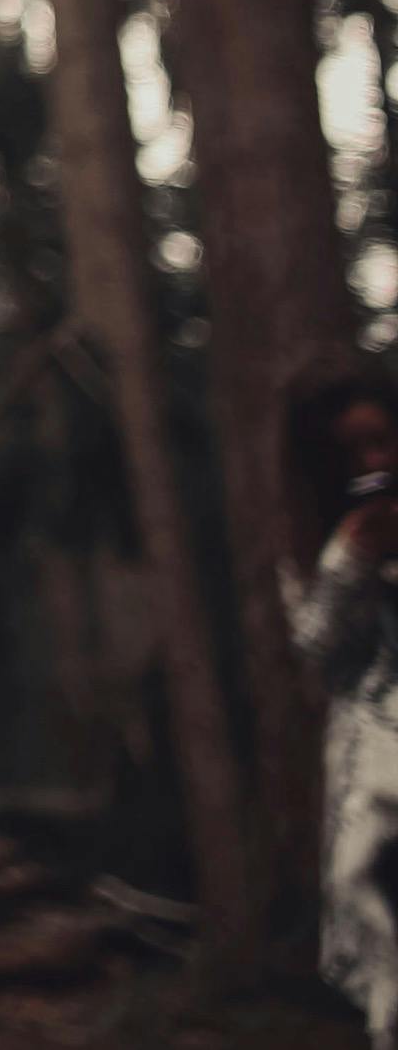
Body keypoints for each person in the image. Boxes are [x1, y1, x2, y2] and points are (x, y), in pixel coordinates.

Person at [290, 357, 398, 1048]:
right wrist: (352, 564)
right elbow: (317, 651)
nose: (374, 459)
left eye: (383, 439)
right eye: (352, 449)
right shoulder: (319, 539)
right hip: (377, 762)